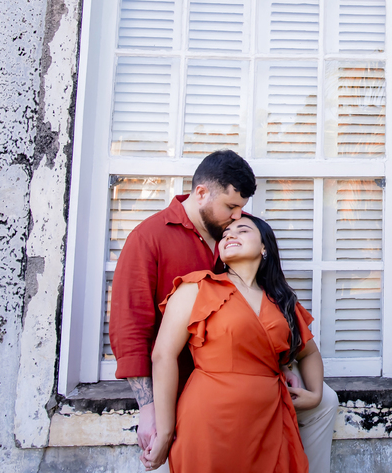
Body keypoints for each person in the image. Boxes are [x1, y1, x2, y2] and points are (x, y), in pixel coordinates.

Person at [109, 150, 337, 471]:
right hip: (189, 377)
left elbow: (262, 306)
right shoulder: (149, 238)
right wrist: (148, 407)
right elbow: (130, 329)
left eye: (242, 211)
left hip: (248, 363)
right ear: (201, 193)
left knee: (325, 399)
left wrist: (275, 360)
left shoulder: (233, 236)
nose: (236, 218)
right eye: (231, 207)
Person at [141, 214, 324, 472]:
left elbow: (309, 353)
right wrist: (164, 431)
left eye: (242, 230)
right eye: (225, 234)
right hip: (208, 421)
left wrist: (315, 395)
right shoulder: (197, 288)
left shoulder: (283, 302)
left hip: (270, 421)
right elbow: (163, 356)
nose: (230, 235)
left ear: (264, 247)